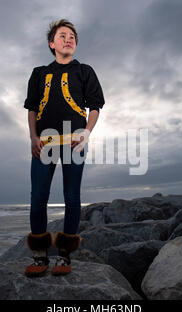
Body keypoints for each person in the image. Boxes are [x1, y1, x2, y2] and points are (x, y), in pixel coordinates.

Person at [23, 19, 105, 276]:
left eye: (72, 36)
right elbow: (33, 108)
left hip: (74, 143)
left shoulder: (85, 71)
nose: (68, 39)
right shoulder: (38, 73)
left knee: (72, 198)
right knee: (38, 199)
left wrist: (86, 133)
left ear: (75, 43)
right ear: (52, 43)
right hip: (44, 143)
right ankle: (39, 256)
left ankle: (64, 256)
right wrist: (33, 137)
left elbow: (95, 108)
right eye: (62, 35)